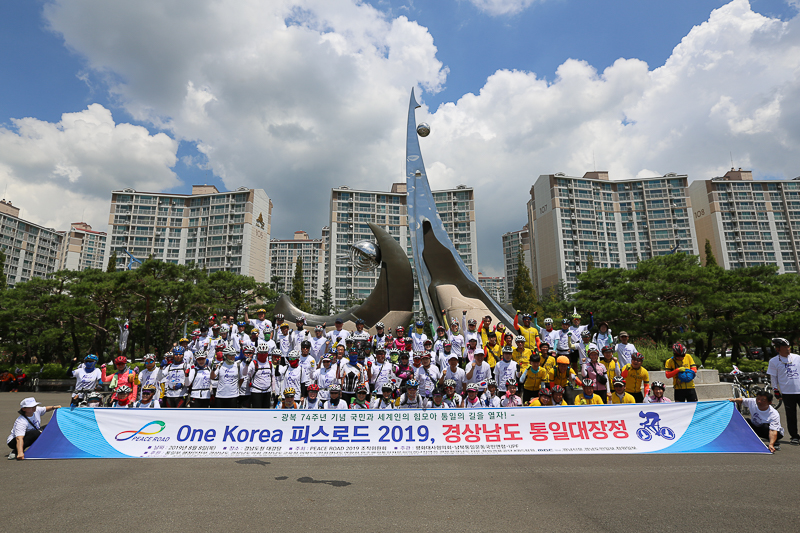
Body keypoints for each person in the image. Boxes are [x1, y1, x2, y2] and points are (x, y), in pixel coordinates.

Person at [766, 337, 800, 446]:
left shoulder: (797, 358)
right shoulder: (774, 361)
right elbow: (773, 378)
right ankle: (794, 436)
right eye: (785, 347)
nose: (788, 348)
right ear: (778, 349)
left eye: (788, 346)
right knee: (791, 416)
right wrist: (776, 391)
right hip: (787, 393)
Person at [248, 344, 276, 409]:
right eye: (261, 353)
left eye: (265, 353)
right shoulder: (253, 363)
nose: (263, 355)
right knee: (257, 412)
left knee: (266, 411)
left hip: (267, 391)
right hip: (256, 391)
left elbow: (272, 377)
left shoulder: (270, 364)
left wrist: (273, 390)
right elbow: (246, 375)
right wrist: (246, 365)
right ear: (258, 353)